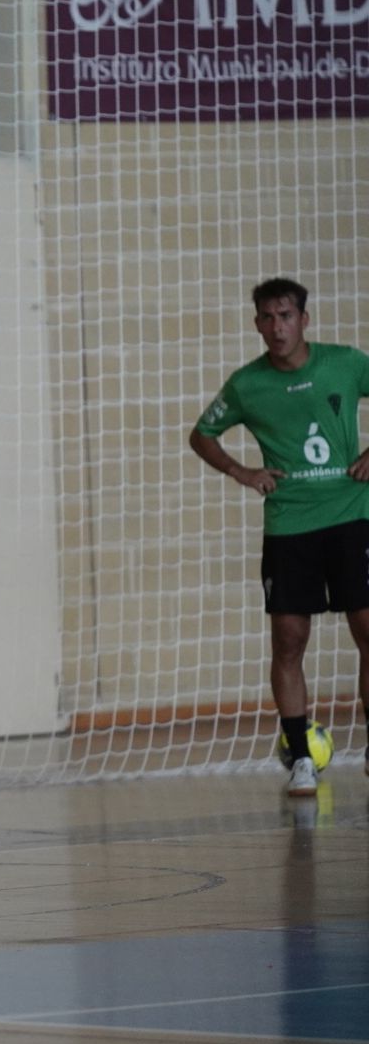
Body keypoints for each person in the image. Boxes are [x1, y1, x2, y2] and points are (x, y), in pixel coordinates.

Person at [190, 276, 369, 797]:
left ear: (304, 320)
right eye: (267, 317)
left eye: (286, 315)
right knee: (289, 639)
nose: (277, 327)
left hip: (351, 515)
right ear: (257, 324)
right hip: (290, 526)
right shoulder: (247, 385)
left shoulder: (344, 362)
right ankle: (301, 759)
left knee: (367, 630)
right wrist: (241, 471)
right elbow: (202, 434)